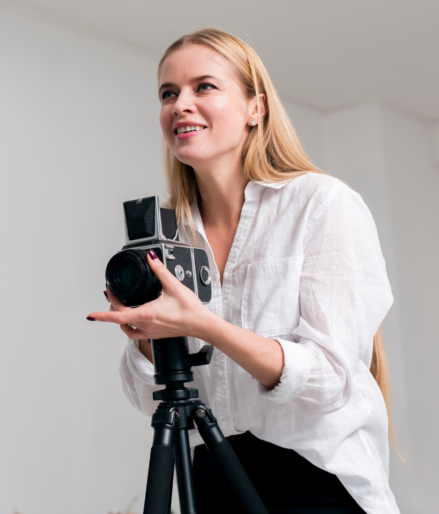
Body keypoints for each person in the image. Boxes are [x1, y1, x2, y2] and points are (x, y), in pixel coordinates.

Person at [87, 29, 398, 513]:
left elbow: (327, 379)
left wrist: (204, 325)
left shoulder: (321, 205)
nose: (180, 104)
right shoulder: (167, 236)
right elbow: (156, 403)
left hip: (315, 481)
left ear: (256, 107)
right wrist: (147, 336)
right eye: (168, 93)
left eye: (204, 87)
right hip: (215, 477)